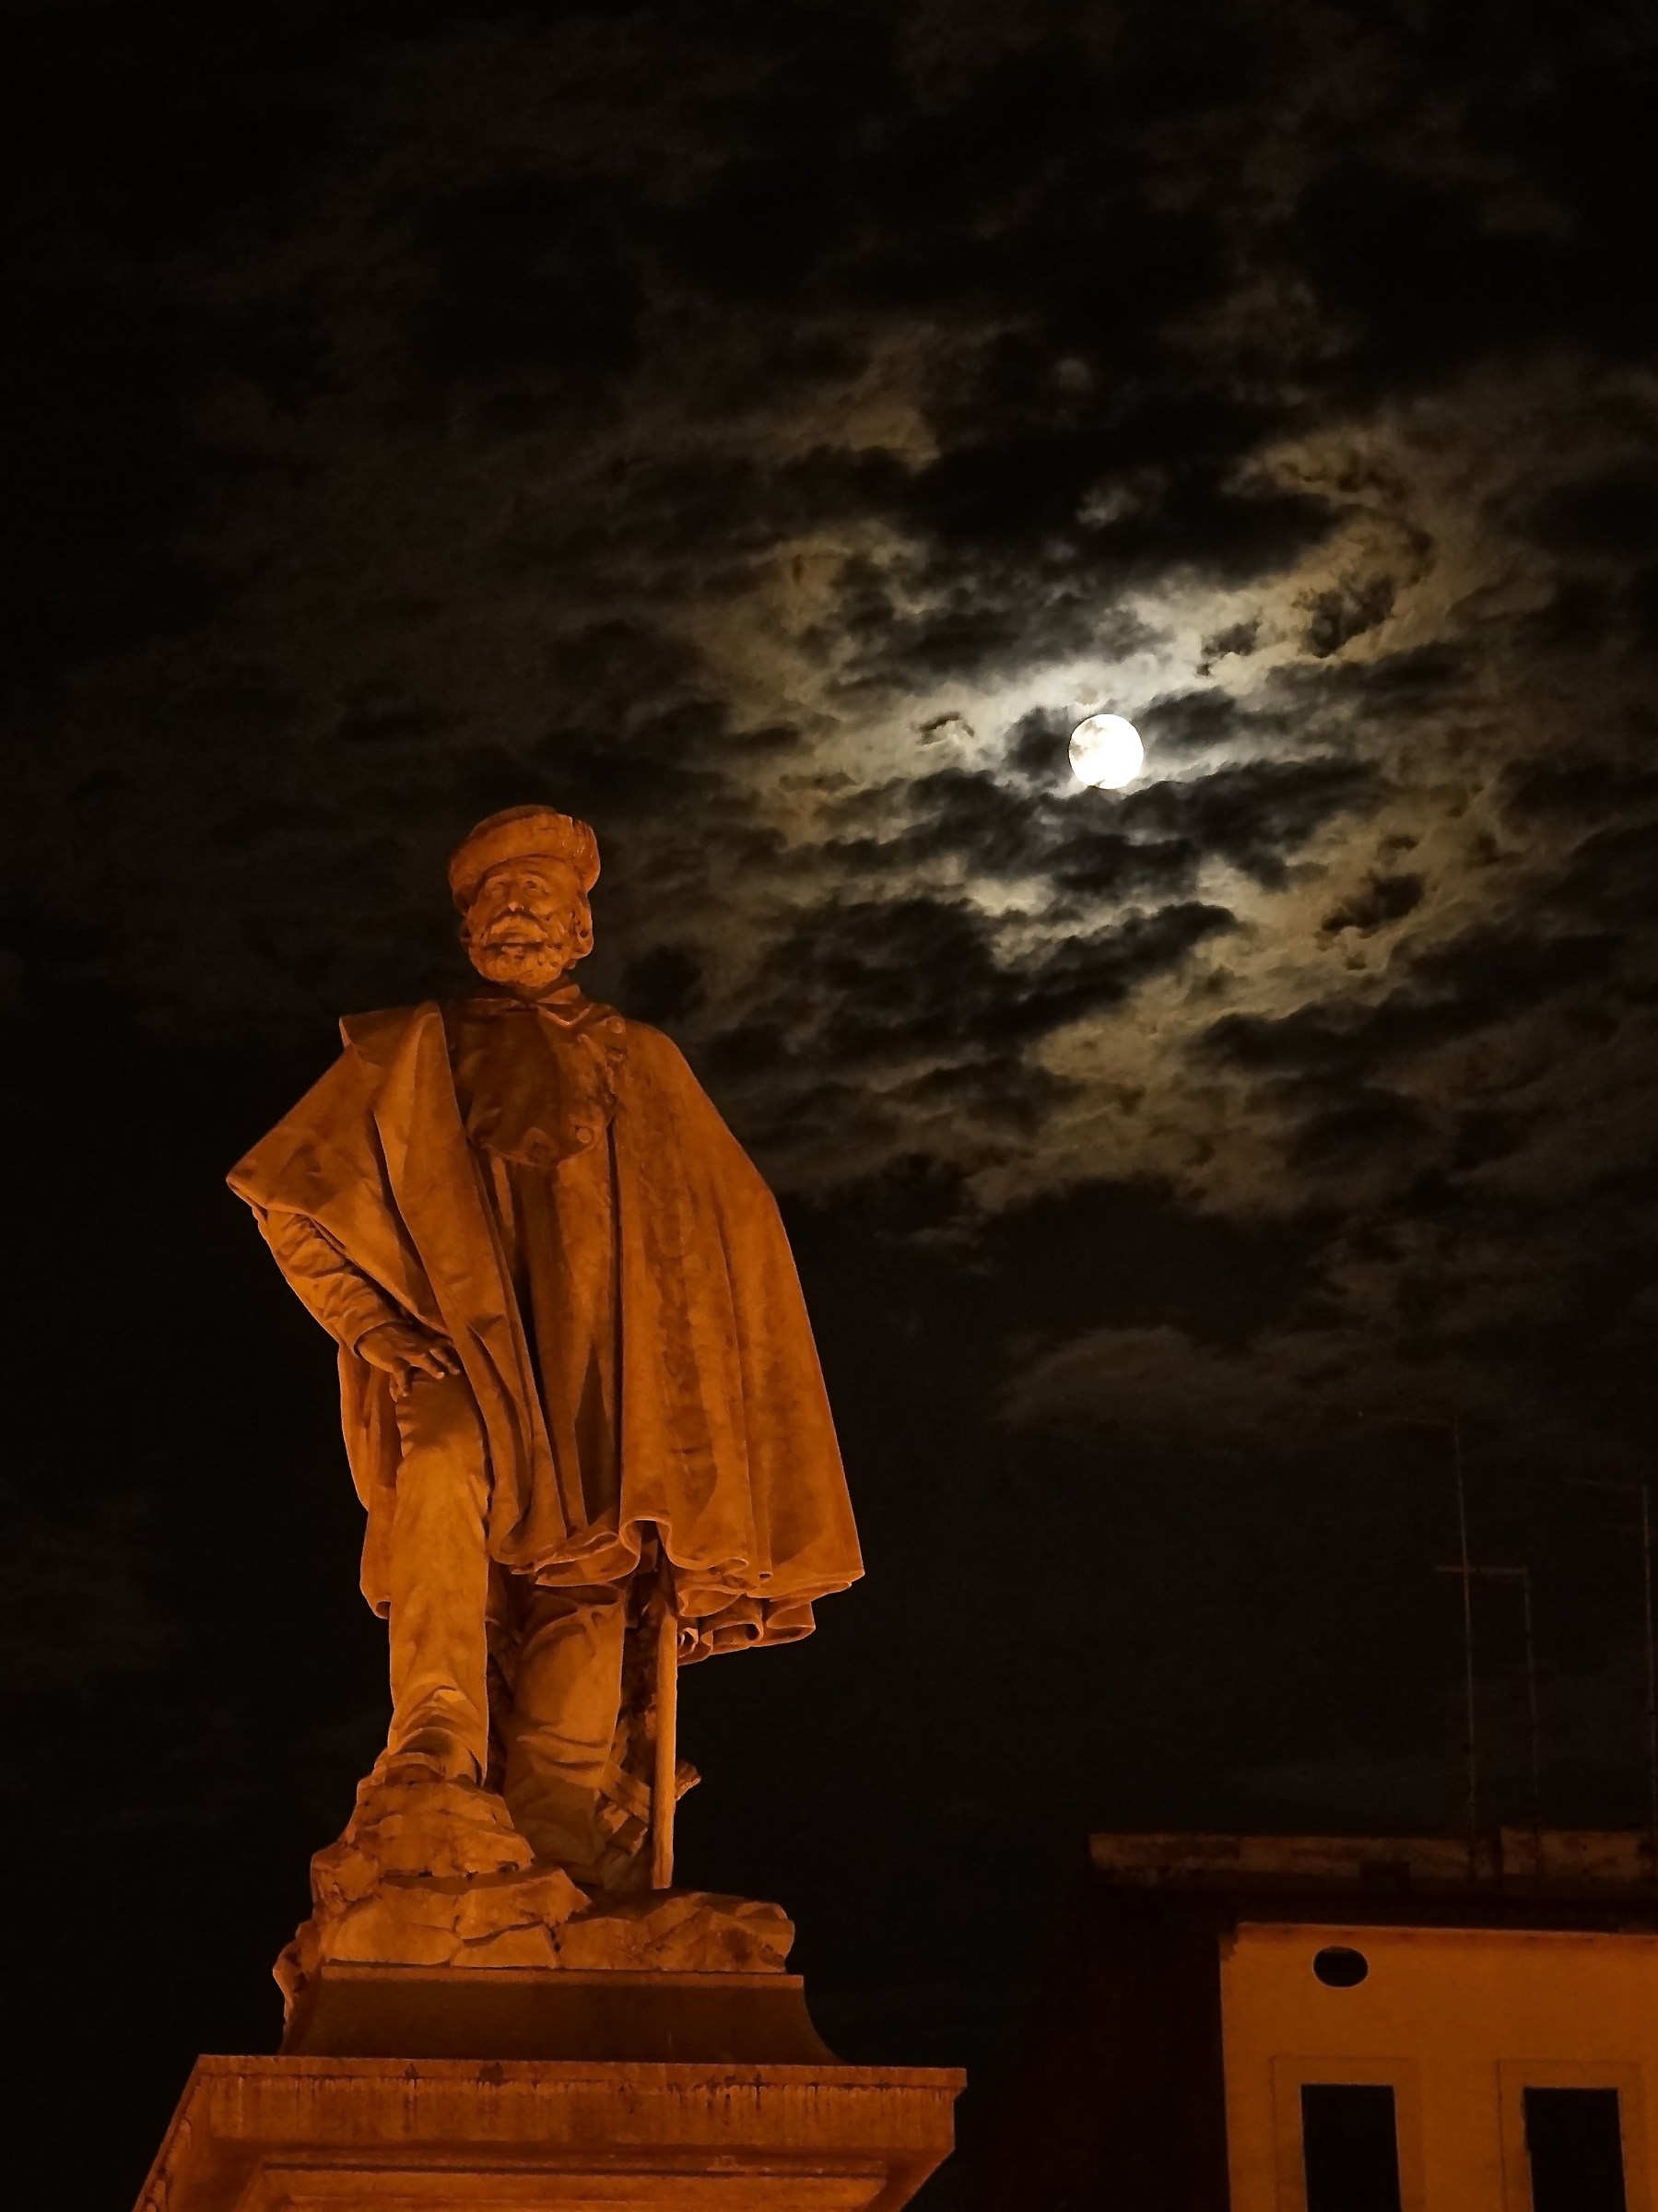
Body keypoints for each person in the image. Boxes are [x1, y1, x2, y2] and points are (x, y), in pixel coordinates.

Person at [229, 805, 861, 1886]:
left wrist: (693, 1403)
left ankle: (559, 1835)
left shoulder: (648, 1065)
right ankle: (434, 1737)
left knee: (591, 1583)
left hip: (608, 1380)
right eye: (496, 902)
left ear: (582, 935)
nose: (516, 917)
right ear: (469, 930)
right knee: (436, 1469)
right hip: (460, 1359)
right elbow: (287, 1192)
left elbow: (735, 1235)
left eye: (542, 902)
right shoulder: (409, 1049)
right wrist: (374, 1324)